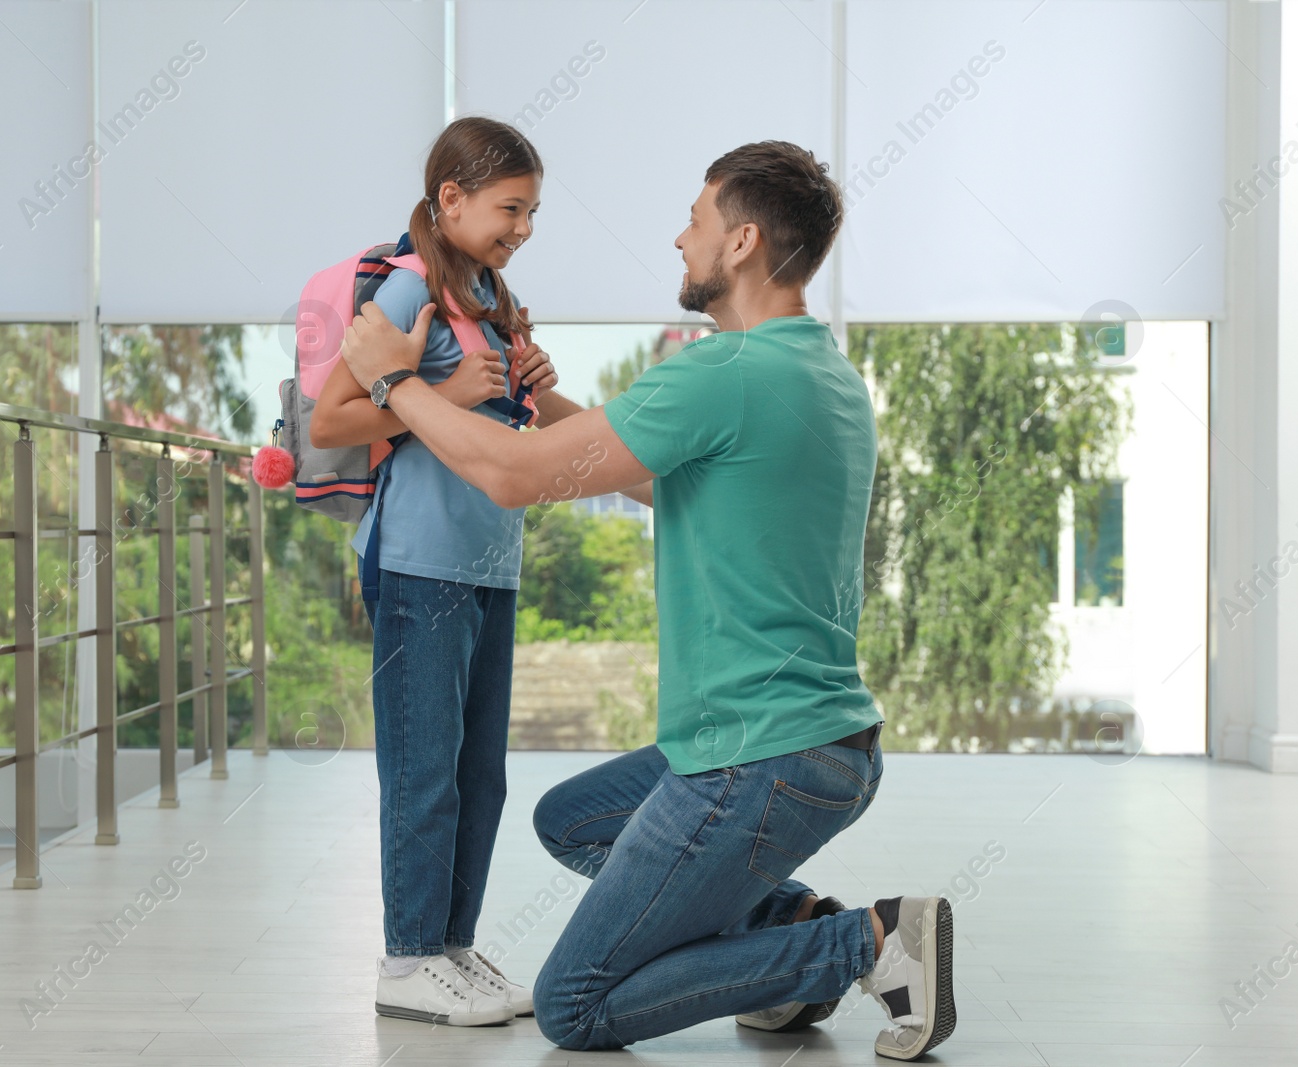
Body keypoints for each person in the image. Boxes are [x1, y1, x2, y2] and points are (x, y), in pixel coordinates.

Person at [337, 140, 957, 1061]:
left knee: (574, 1004)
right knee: (571, 818)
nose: (679, 238)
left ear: (741, 241)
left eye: (697, 220)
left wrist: (393, 380)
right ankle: (783, 939)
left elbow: (510, 478)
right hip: (826, 745)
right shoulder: (826, 377)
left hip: (757, 758)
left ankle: (862, 944)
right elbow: (664, 483)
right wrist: (546, 404)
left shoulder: (722, 373)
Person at [309, 116, 589, 1028]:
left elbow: (510, 422)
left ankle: (451, 947)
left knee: (479, 775)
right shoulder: (406, 287)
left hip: (488, 561)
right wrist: (441, 394)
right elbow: (328, 422)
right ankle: (406, 958)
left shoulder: (488, 289)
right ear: (452, 199)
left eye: (533, 211)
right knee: (424, 769)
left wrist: (527, 381)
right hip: (420, 564)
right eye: (512, 207)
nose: (524, 226)